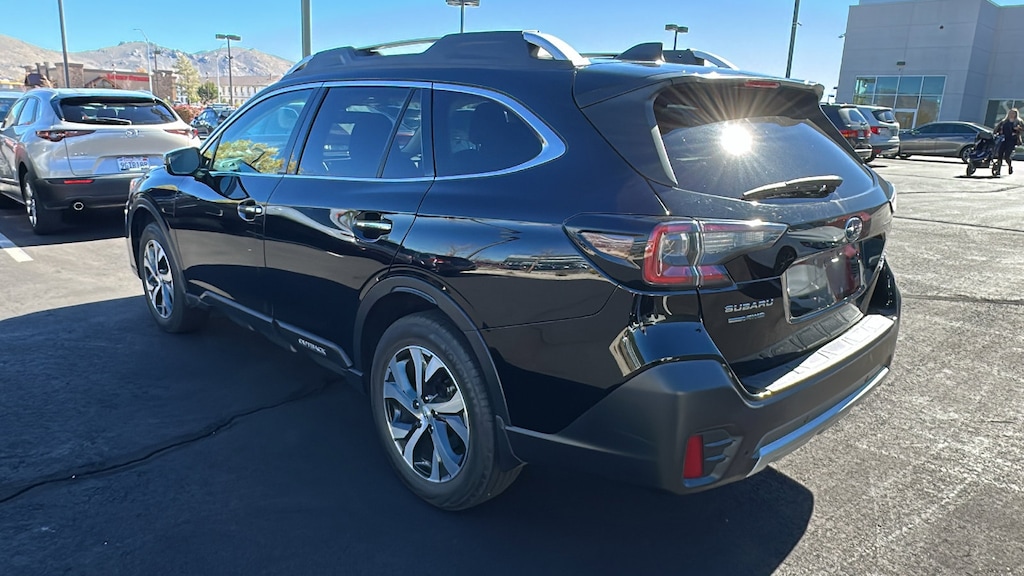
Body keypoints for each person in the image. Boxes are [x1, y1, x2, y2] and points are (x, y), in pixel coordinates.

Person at [994, 108, 1023, 174]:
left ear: (1016, 114)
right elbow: (997, 129)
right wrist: (998, 132)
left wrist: (1018, 129)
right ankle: (998, 170)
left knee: (1007, 155)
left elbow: (1022, 129)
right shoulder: (1004, 121)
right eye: (1010, 113)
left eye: (1013, 113)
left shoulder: (1018, 121)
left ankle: (1010, 166)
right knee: (1000, 154)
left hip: (1012, 140)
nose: (1011, 114)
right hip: (1003, 139)